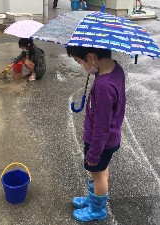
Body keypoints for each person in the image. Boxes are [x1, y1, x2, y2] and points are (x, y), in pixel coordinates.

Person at [66, 46, 126, 222]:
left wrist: (93, 152)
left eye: (79, 62)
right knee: (101, 170)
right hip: (110, 139)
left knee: (98, 173)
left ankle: (97, 209)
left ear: (91, 57)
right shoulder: (115, 68)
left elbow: (101, 127)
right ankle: (94, 199)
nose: (81, 66)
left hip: (99, 142)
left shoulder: (103, 87)